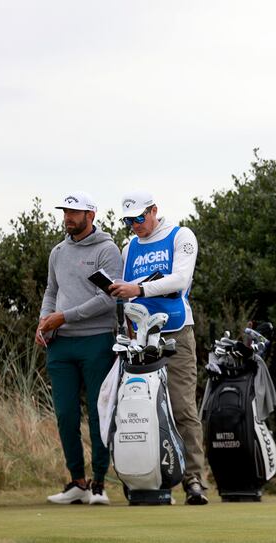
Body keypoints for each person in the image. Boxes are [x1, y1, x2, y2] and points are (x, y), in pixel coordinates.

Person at [107, 190, 208, 505]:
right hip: (138, 338)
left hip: (175, 331)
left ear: (153, 211)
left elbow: (180, 279)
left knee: (181, 407)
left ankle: (194, 480)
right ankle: (146, 476)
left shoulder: (181, 235)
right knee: (140, 407)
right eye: (128, 220)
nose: (134, 225)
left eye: (139, 217)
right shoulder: (129, 247)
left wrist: (139, 288)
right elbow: (126, 296)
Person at [38, 191, 122, 505]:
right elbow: (51, 291)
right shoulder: (58, 251)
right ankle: (77, 482)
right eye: (65, 212)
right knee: (65, 415)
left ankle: (99, 484)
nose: (68, 218)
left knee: (100, 413)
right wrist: (44, 320)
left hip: (97, 340)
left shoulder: (107, 249)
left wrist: (64, 317)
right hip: (60, 345)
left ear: (91, 215)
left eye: (74, 212)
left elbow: (107, 299)